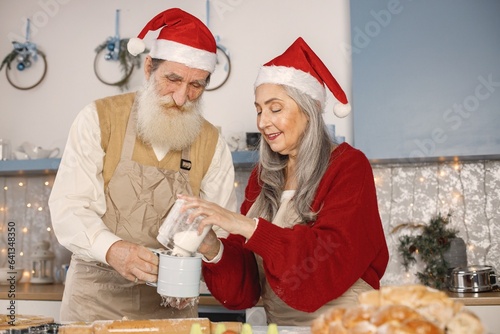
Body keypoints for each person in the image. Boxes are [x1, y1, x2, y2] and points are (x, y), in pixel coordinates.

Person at [178, 37, 389, 326]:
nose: (263, 122)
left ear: (311, 108)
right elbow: (245, 290)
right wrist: (212, 247)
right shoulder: (262, 179)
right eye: (259, 109)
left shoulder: (349, 167)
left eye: (275, 108)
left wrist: (242, 225)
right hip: (282, 328)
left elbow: (325, 263)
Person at [48, 8, 237, 322]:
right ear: (149, 67)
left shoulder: (212, 141)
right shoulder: (99, 118)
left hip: (172, 312)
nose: (181, 97)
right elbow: (69, 206)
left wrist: (191, 274)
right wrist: (112, 249)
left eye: (196, 85)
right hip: (94, 304)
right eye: (173, 79)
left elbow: (220, 232)